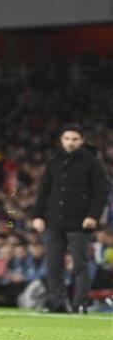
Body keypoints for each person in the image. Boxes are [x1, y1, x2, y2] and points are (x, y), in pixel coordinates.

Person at [31, 123, 109, 313]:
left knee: (80, 264)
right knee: (53, 264)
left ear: (82, 141)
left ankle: (80, 302)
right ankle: (58, 302)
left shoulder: (92, 162)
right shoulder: (55, 162)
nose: (70, 142)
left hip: (80, 222)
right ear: (61, 140)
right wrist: (37, 215)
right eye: (67, 139)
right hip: (54, 221)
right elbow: (44, 191)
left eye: (75, 139)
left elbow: (101, 192)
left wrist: (93, 216)